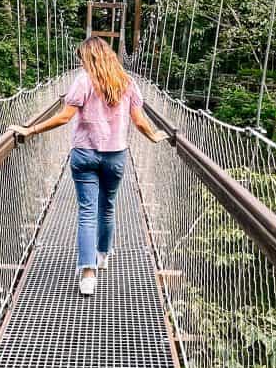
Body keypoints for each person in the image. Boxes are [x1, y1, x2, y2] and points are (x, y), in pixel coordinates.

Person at [15, 37, 167, 296]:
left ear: (88, 58)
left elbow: (65, 117)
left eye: (82, 59)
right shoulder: (127, 83)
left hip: (84, 154)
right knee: (107, 207)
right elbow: (139, 121)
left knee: (87, 212)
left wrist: (31, 130)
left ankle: (88, 273)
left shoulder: (83, 81)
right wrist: (153, 135)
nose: (80, 63)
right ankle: (103, 255)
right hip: (115, 156)